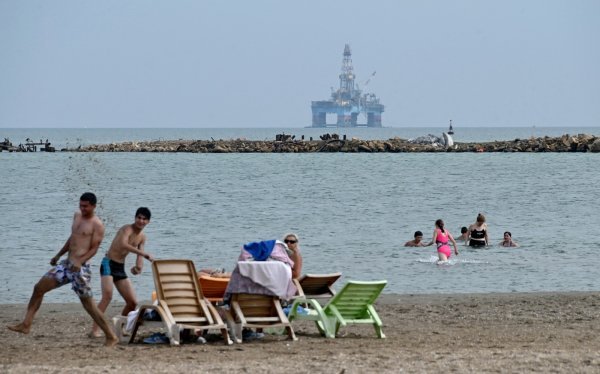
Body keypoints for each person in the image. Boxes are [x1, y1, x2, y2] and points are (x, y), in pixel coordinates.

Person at [7, 192, 118, 347]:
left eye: (86, 206)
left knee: (89, 306)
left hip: (81, 269)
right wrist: (58, 255)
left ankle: (111, 336)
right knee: (39, 288)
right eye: (81, 205)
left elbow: (94, 249)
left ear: (93, 206)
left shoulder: (97, 224)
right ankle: (26, 324)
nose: (82, 208)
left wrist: (80, 261)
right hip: (66, 265)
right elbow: (72, 238)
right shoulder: (77, 216)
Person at [90, 207, 155, 337]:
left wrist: (138, 267)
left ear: (148, 222)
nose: (141, 221)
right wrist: (143, 253)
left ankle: (120, 326)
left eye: (144, 219)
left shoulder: (142, 237)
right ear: (135, 218)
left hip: (120, 267)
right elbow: (124, 245)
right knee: (107, 296)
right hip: (108, 263)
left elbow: (139, 255)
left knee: (132, 302)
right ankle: (94, 330)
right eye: (139, 218)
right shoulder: (127, 229)